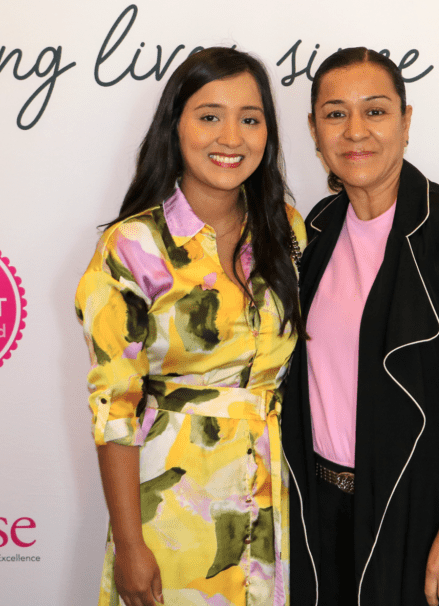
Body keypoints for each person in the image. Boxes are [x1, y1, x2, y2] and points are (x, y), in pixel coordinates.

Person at [283, 48, 439, 606]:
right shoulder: (312, 232)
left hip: (422, 509)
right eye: (335, 113)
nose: (355, 131)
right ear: (315, 131)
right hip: (320, 510)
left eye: (377, 111)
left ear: (406, 122)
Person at [75, 47, 306, 606]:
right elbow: (115, 412)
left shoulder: (288, 233)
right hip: (173, 515)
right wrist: (130, 545)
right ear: (174, 126)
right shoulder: (133, 247)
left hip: (276, 504)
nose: (231, 136)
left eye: (250, 119)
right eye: (209, 116)